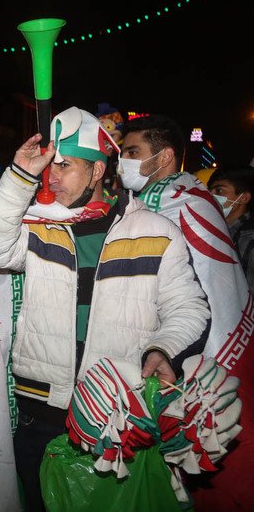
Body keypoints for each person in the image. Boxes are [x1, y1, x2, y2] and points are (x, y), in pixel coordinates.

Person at [0, 107, 210, 512]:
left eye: (64, 166)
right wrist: (18, 177)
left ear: (98, 171)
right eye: (49, 166)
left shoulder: (155, 230)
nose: (51, 177)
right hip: (39, 415)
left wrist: (163, 348)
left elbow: (189, 307)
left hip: (117, 415)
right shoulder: (36, 223)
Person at [119, 114, 254, 512]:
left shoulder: (171, 200)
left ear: (163, 158)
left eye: (132, 152)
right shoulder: (184, 195)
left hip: (190, 347)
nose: (122, 161)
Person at [208, 166, 254, 292]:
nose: (212, 196)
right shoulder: (216, 229)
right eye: (210, 191)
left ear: (243, 198)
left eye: (219, 191)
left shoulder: (249, 239)